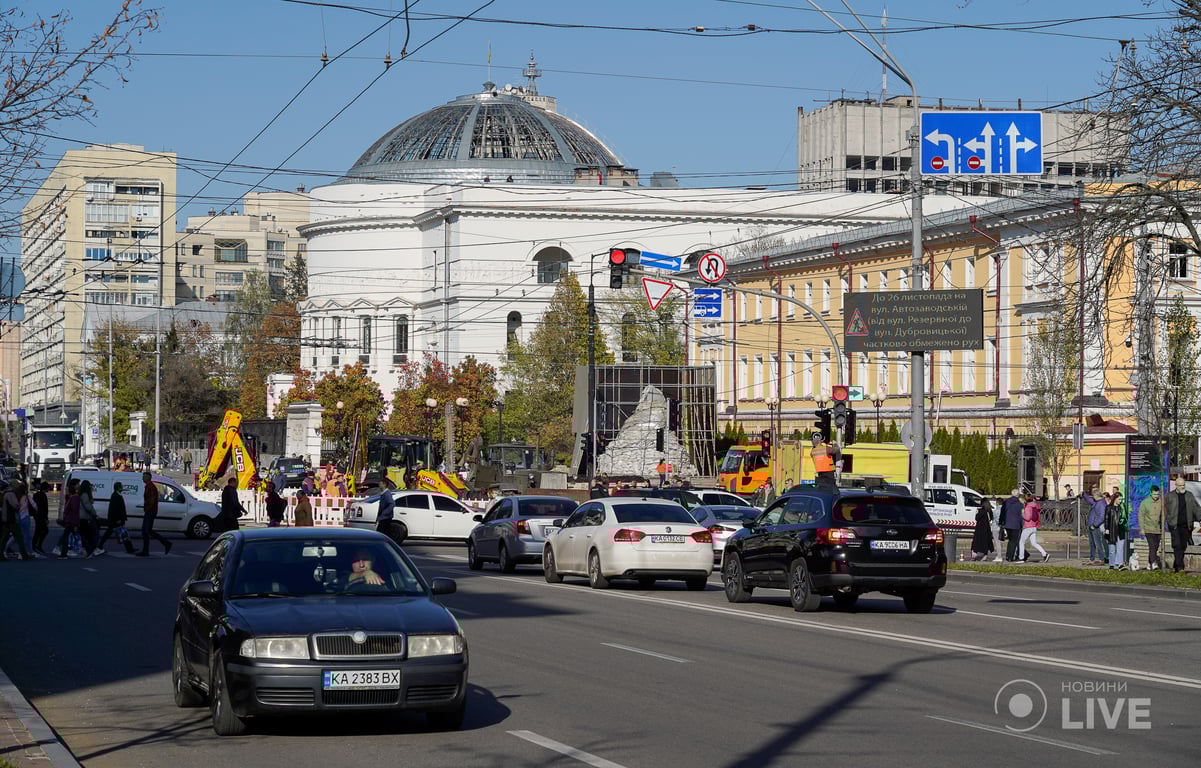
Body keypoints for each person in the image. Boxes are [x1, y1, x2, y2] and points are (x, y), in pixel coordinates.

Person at [1164, 475, 1200, 573]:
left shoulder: (1189, 495)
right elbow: (1164, 510)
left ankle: (1176, 566)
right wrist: (1166, 520)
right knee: (1176, 545)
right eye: (1180, 485)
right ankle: (1180, 567)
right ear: (1176, 485)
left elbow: (1196, 508)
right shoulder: (1170, 496)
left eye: (1183, 485)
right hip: (1174, 524)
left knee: (1183, 546)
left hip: (1186, 525)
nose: (1182, 487)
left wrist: (1200, 518)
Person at [96, 482, 136, 554]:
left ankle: (130, 548)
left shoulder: (116, 495)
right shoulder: (116, 496)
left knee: (113, 533)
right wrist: (118, 519)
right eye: (121, 487)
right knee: (122, 533)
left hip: (115, 519)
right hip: (116, 520)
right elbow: (115, 509)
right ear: (118, 488)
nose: (122, 488)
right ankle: (130, 549)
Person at [138, 471, 171, 557]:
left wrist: (147, 509)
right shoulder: (148, 486)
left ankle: (166, 543)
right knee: (146, 531)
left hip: (150, 511)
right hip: (149, 511)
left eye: (144, 476)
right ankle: (147, 550)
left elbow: (152, 501)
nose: (142, 478)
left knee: (147, 531)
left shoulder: (151, 487)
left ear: (148, 478)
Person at [0, 481, 33, 561]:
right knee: (19, 537)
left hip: (6, 518)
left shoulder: (6, 493)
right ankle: (24, 554)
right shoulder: (11, 494)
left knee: (5, 538)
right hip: (11, 519)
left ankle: (2, 554)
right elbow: (15, 505)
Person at [1139, 485, 1166, 571]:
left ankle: (1149, 563)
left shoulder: (1161, 502)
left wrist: (1163, 526)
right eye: (1154, 494)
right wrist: (1142, 528)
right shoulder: (1145, 502)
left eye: (1157, 494)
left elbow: (1163, 515)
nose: (1156, 496)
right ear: (1151, 493)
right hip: (1148, 528)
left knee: (1156, 546)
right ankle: (1154, 563)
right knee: (1152, 546)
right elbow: (1141, 515)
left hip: (1158, 529)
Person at [1018, 494, 1049, 563]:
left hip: (1028, 527)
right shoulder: (1035, 506)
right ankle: (1045, 554)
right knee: (1034, 543)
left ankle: (1021, 558)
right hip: (1034, 527)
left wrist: (1022, 514)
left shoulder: (1028, 507)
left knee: (1021, 542)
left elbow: (1028, 518)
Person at [57, 479, 82, 559]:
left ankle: (64, 553)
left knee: (67, 536)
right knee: (73, 535)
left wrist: (75, 523)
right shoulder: (74, 497)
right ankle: (64, 552)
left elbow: (73, 510)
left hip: (71, 520)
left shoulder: (74, 498)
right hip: (71, 520)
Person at [1104, 491, 1128, 570]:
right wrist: (1107, 528)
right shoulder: (1109, 508)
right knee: (1112, 549)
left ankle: (1120, 564)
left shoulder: (1122, 507)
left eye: (1121, 499)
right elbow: (1106, 519)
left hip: (1120, 530)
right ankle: (1112, 564)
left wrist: (1123, 521)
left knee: (1120, 548)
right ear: (1115, 499)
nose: (1120, 501)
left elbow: (1126, 517)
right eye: (1119, 499)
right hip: (1112, 530)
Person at [999, 488, 1024, 562]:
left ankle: (1007, 555)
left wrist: (1001, 522)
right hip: (1016, 525)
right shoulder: (1019, 504)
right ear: (1017, 495)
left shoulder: (1006, 502)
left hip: (1007, 524)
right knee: (1014, 541)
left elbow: (1002, 513)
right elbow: (1021, 515)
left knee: (1010, 540)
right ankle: (1010, 556)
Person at [78, 480, 101, 557]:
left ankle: (90, 549)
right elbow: (88, 507)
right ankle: (91, 549)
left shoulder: (82, 494)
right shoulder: (85, 495)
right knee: (87, 534)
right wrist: (94, 514)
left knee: (85, 534)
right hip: (84, 517)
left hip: (83, 517)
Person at [970, 495, 995, 561]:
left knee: (977, 542)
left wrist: (977, 513)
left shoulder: (982, 511)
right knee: (986, 543)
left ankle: (974, 555)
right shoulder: (989, 511)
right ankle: (985, 555)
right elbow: (991, 518)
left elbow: (977, 518)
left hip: (980, 529)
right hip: (987, 529)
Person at [31, 480, 49, 555]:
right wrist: (45, 518)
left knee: (38, 531)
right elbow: (44, 508)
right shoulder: (43, 495)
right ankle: (36, 546)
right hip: (41, 516)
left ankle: (35, 546)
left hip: (37, 515)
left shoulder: (36, 495)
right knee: (43, 531)